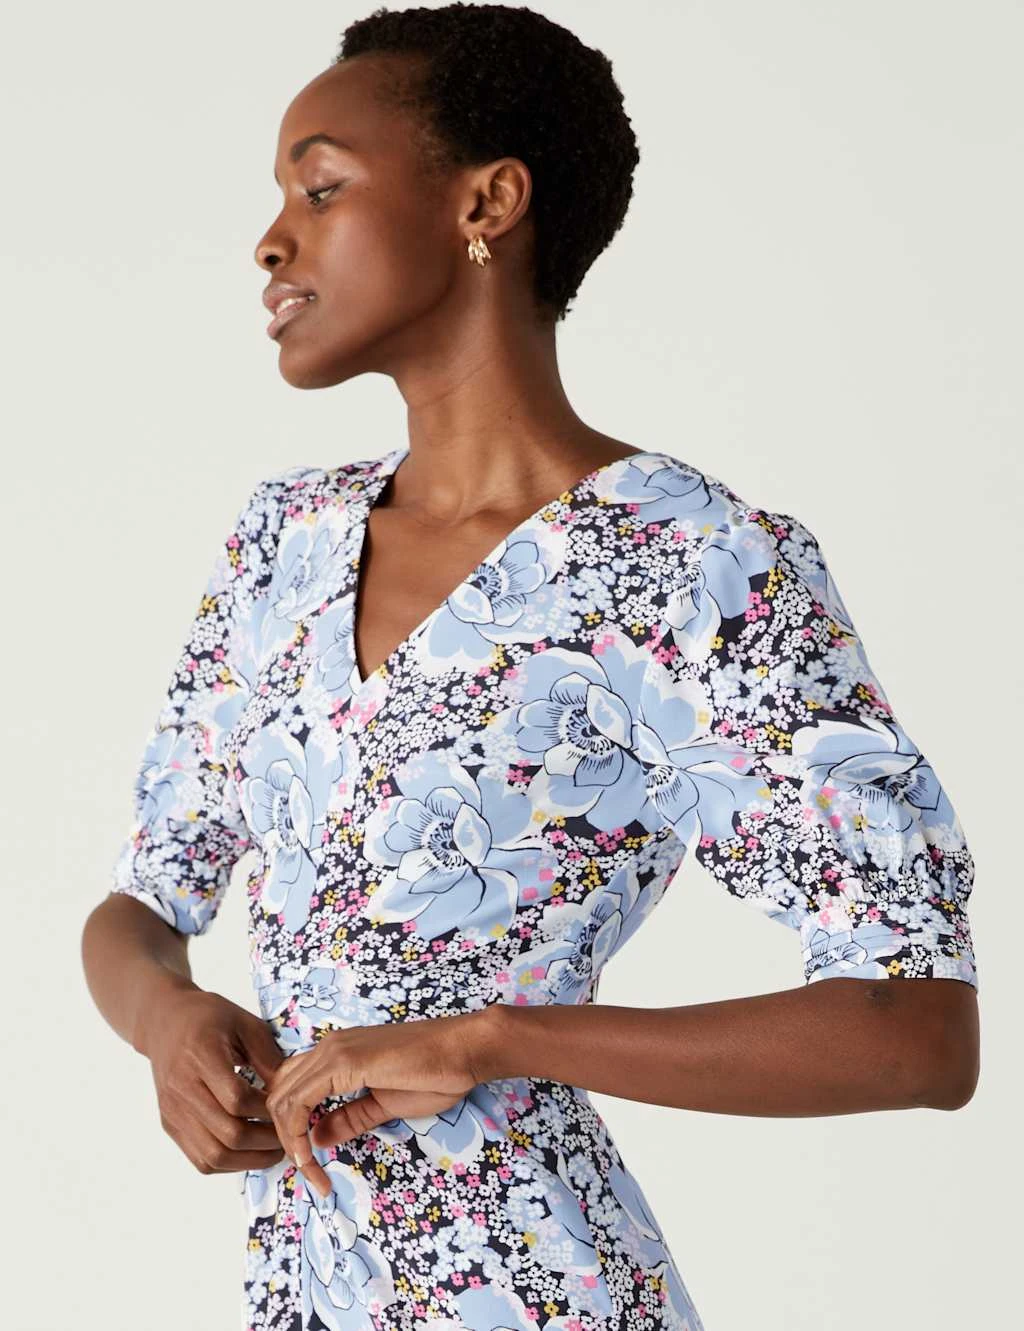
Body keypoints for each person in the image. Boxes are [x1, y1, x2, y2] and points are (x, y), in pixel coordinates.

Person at [81, 6, 980, 1330]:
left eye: (320, 190)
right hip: (305, 1284)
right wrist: (166, 1021)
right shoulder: (285, 542)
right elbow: (139, 909)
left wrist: (493, 1039)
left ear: (486, 203)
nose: (271, 240)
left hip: (533, 1287)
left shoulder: (691, 565)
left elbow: (917, 1034)